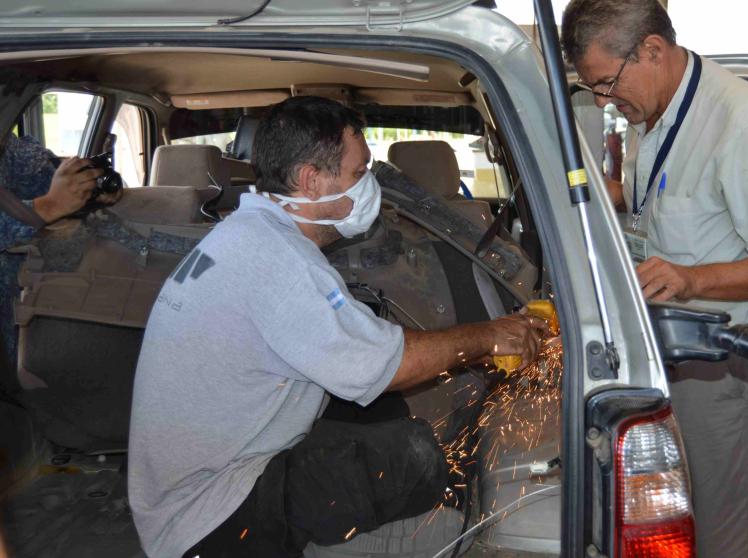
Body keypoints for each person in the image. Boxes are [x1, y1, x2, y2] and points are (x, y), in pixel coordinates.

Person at [127, 96, 547, 558]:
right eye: (359, 172)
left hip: (200, 478)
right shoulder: (278, 260)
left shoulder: (247, 234)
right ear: (311, 181)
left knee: (394, 425)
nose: (370, 184)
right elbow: (388, 366)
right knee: (434, 495)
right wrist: (489, 336)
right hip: (210, 518)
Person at [561, 1, 748, 556]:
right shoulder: (652, 113)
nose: (602, 100)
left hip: (727, 364)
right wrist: (610, 197)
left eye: (606, 84)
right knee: (682, 518)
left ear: (651, 50)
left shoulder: (740, 121)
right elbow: (672, 205)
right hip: (672, 354)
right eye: (592, 89)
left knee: (732, 530)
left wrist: (691, 280)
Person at [0, 134, 105, 389]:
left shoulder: (17, 148)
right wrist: (48, 206)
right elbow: (51, 200)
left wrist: (90, 193)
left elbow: (50, 178)